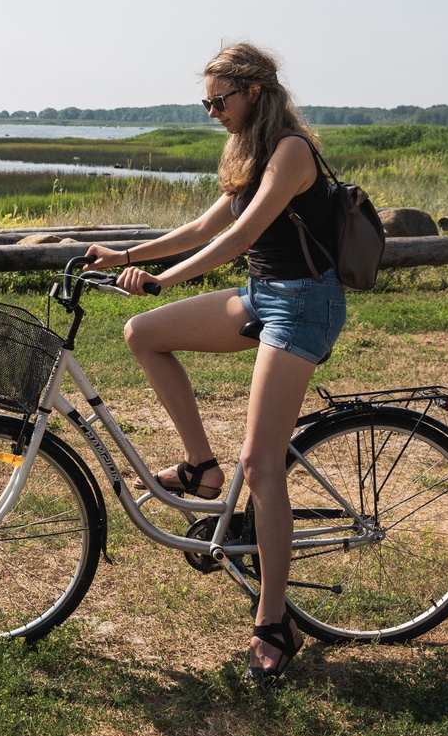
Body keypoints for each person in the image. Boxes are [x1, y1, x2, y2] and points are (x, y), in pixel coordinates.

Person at [82, 42, 345, 684]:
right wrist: (124, 256)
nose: (210, 112)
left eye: (217, 100)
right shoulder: (248, 152)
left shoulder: (289, 151)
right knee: (143, 332)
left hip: (302, 306)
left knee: (260, 465)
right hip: (261, 296)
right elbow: (202, 228)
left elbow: (241, 238)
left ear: (253, 91)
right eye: (204, 102)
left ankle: (274, 619)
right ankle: (200, 467)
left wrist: (165, 279)